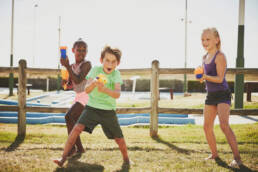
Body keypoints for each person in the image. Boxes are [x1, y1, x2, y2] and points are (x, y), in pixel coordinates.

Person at [54, 46, 130, 167]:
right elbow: (87, 90)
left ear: (118, 63)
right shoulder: (95, 70)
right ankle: (63, 158)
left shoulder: (116, 74)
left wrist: (104, 89)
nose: (110, 64)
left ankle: (126, 160)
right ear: (101, 60)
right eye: (107, 60)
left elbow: (117, 94)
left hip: (108, 112)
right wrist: (93, 84)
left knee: (119, 138)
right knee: (76, 129)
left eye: (113, 61)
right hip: (91, 109)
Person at [198, 28, 242, 167]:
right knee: (206, 127)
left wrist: (206, 76)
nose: (205, 42)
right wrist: (201, 76)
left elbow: (219, 78)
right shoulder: (204, 57)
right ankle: (214, 154)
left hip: (222, 94)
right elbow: (207, 77)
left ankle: (237, 158)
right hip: (210, 96)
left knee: (224, 125)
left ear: (217, 40)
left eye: (208, 39)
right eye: (203, 39)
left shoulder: (220, 56)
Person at [60, 38, 92, 156]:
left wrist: (67, 66)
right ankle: (79, 148)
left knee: (69, 117)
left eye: (84, 50)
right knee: (72, 121)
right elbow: (70, 84)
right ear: (73, 51)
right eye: (79, 49)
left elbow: (78, 81)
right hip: (79, 96)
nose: (81, 52)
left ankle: (72, 148)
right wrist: (65, 83)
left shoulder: (87, 64)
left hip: (87, 96)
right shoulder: (72, 66)